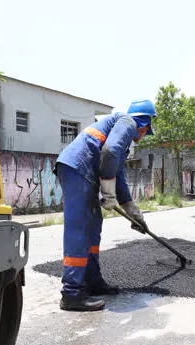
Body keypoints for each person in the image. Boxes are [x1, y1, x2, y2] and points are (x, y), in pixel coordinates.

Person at [53, 99, 156, 312]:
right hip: (76, 168)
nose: (144, 135)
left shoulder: (121, 139)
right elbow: (109, 153)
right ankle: (71, 293)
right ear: (144, 124)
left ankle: (92, 280)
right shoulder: (127, 122)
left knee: (93, 227)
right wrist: (107, 192)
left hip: (83, 173)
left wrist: (134, 213)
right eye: (147, 131)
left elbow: (118, 177)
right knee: (80, 228)